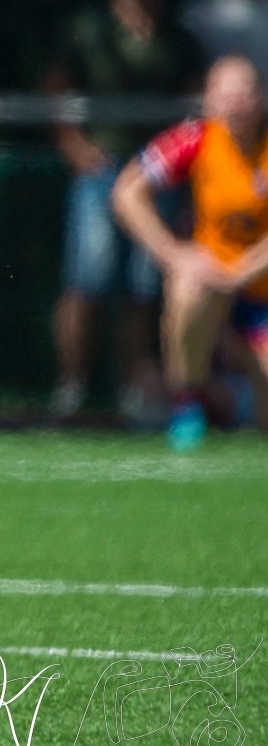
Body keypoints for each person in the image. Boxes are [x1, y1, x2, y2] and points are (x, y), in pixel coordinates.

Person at [45, 0, 202, 422]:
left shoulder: (179, 39)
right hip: (102, 169)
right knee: (86, 277)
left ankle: (137, 387)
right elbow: (55, 89)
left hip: (158, 175)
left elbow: (196, 110)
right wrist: (73, 146)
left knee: (144, 285)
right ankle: (70, 387)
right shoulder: (88, 30)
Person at [111, 56, 268, 452]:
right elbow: (127, 193)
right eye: (224, 94)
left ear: (261, 99)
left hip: (259, 291)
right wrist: (172, 253)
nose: (234, 103)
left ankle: (236, 399)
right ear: (208, 99)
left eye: (244, 93)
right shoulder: (194, 139)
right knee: (187, 287)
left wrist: (243, 272)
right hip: (214, 285)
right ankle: (187, 403)